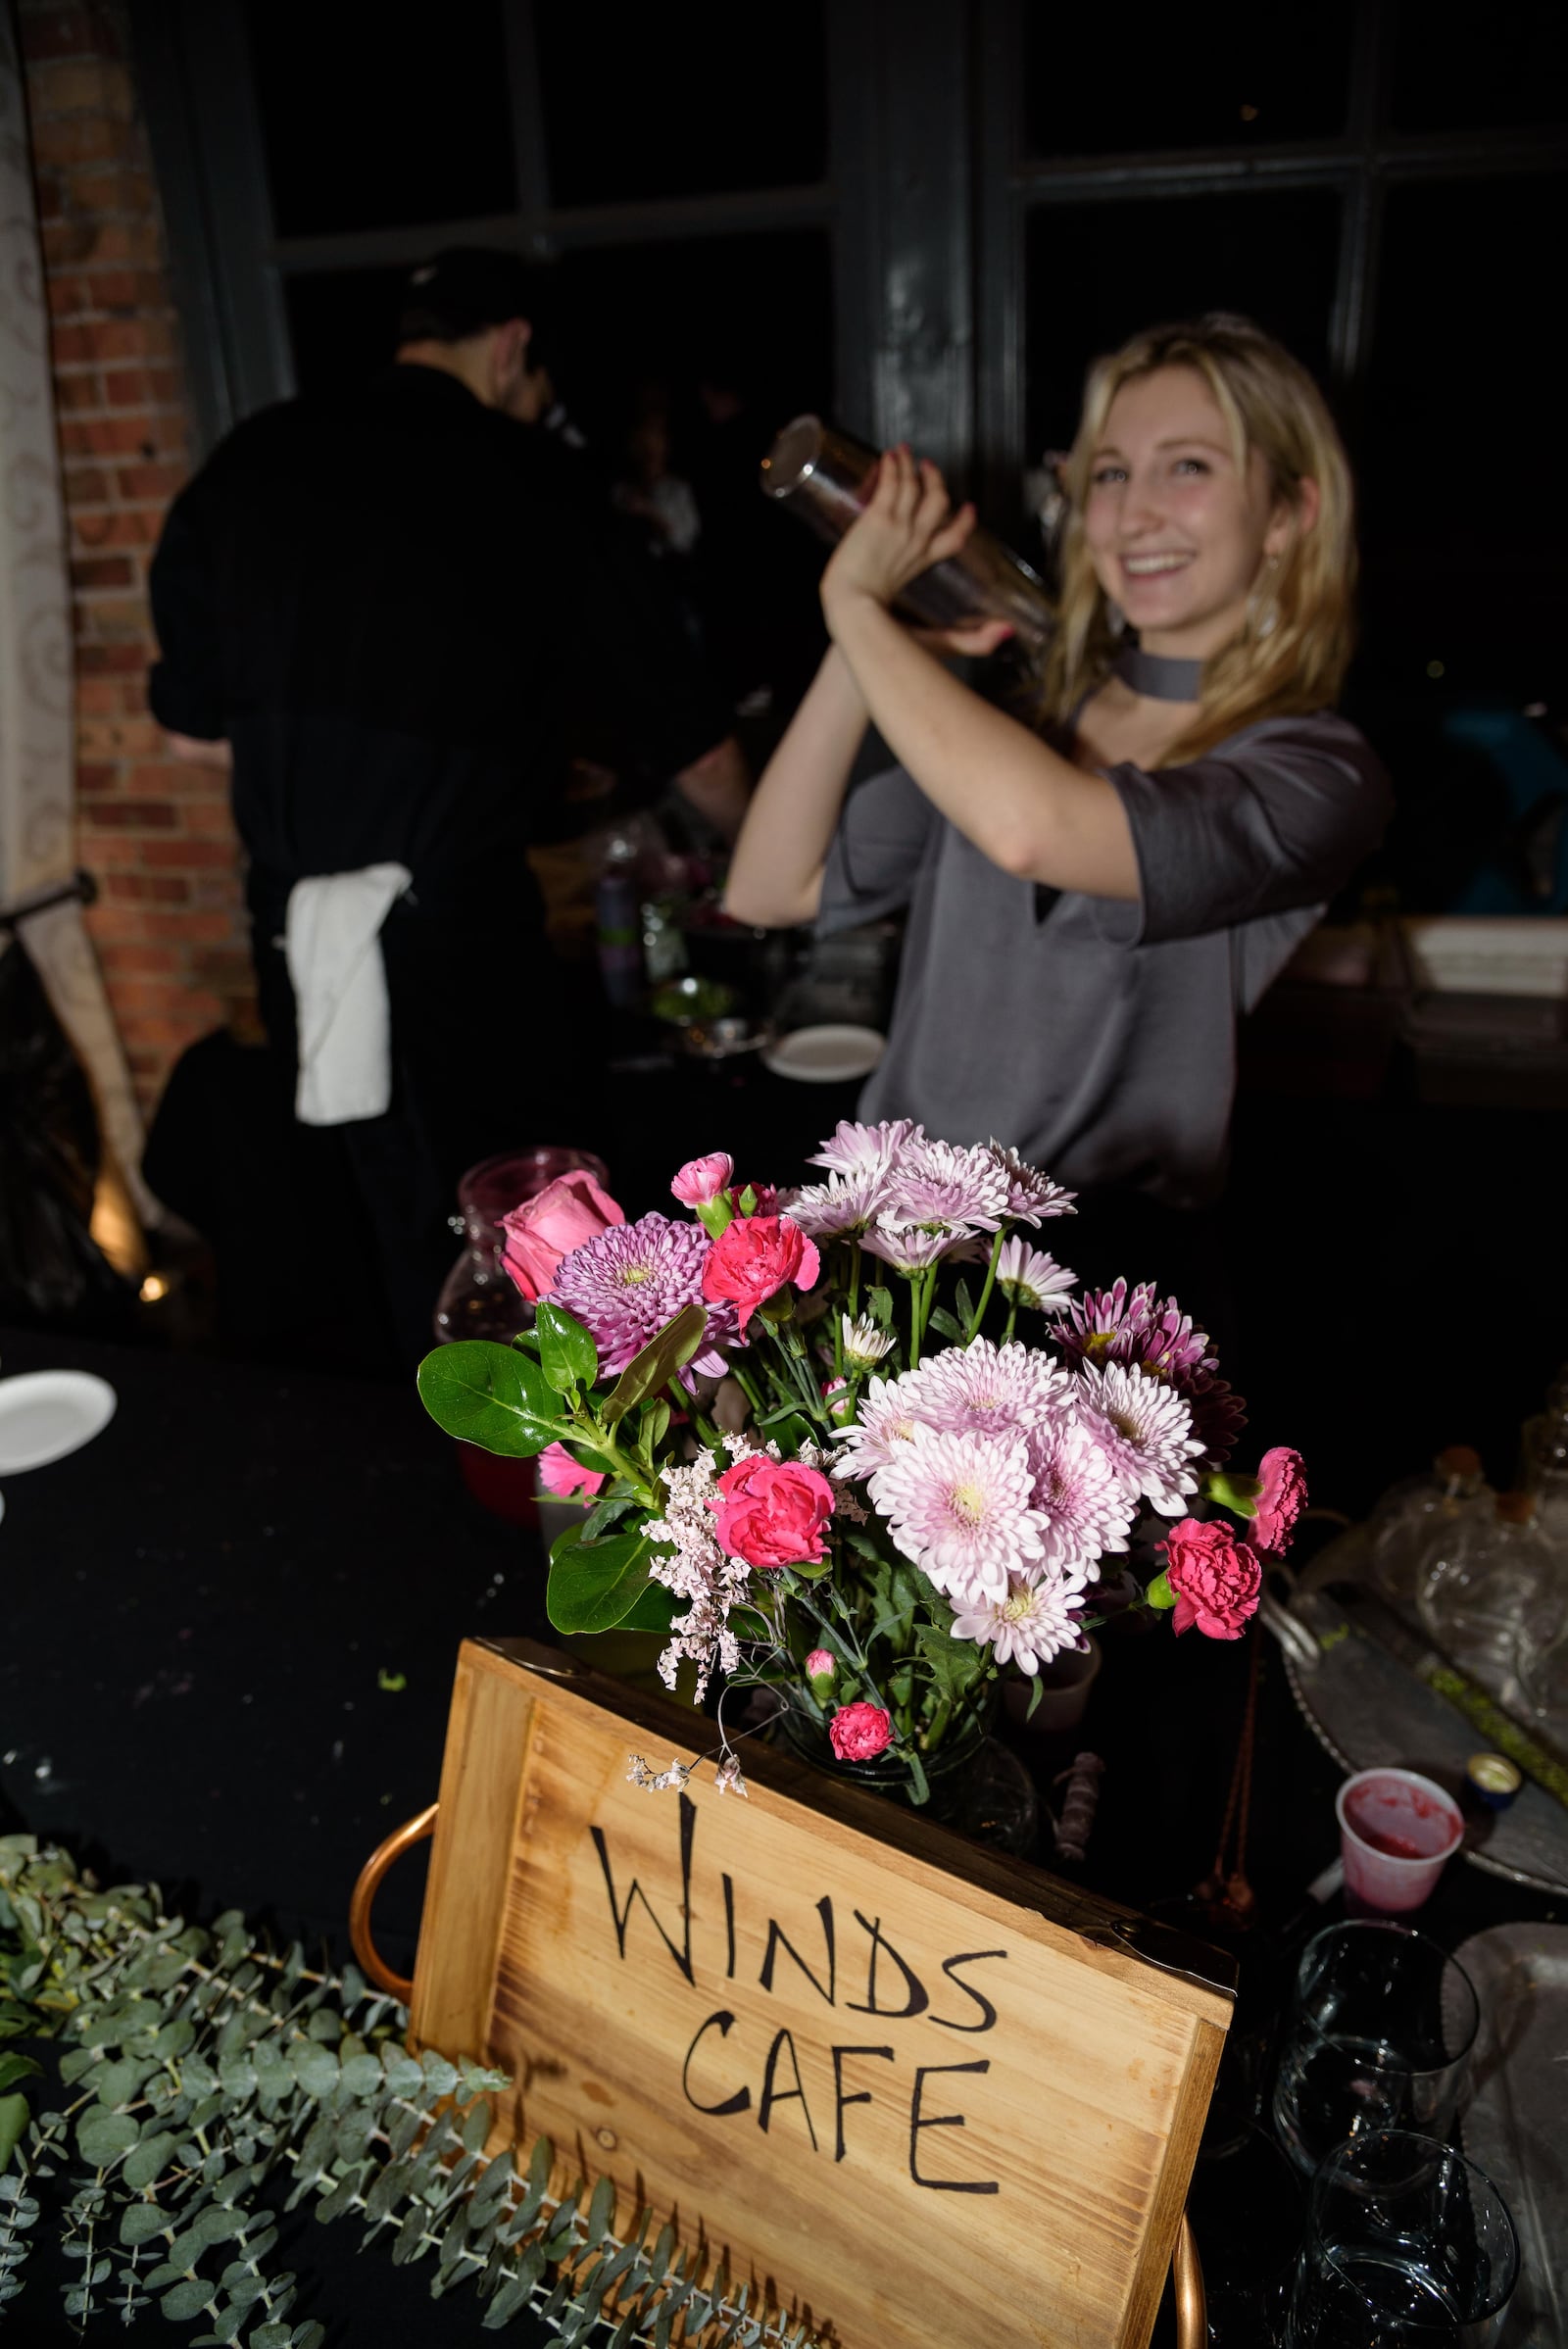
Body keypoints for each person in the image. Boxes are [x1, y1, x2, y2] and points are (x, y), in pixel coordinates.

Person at [148, 248, 750, 1362]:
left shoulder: (245, 463)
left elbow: (189, 728)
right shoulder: (532, 476)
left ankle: (405, 1447)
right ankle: (542, 1472)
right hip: (459, 940)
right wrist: (760, 869)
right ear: (513, 343)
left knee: (368, 1215)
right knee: (524, 1229)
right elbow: (691, 743)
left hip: (293, 932)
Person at [724, 314, 1392, 1306]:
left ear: (1289, 514)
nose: (1133, 513)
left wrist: (859, 613)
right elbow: (769, 885)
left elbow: (1032, 830)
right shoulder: (1024, 723)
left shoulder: (1315, 772)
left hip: (1100, 1278)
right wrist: (866, 644)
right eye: (1110, 473)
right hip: (892, 1238)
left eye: (1189, 467)